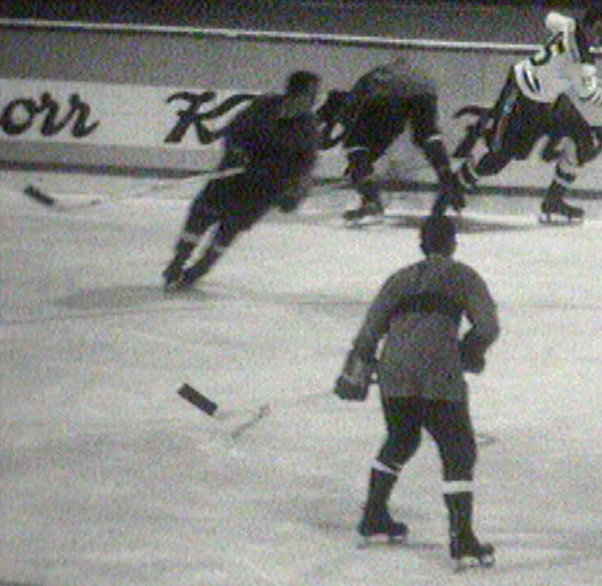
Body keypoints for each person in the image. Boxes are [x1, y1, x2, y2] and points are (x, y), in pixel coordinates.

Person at [334, 214, 500, 570]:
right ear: (453, 243)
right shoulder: (464, 276)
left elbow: (368, 332)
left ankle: (374, 515)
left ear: (421, 243)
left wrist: (357, 369)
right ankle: (463, 540)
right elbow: (487, 326)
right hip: (439, 373)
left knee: (401, 439)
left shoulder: (400, 278)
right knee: (458, 451)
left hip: (394, 372)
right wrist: (470, 352)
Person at [452, 7, 602, 223]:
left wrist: (558, 62)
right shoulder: (582, 60)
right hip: (521, 95)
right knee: (497, 158)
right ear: (587, 26)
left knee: (584, 141)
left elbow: (549, 18)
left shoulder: (568, 25)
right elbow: (590, 96)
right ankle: (456, 184)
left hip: (550, 99)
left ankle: (553, 201)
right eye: (599, 31)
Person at [162, 70, 321, 290]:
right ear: (295, 93)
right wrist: (236, 152)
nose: (314, 100)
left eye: (315, 94)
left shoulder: (308, 126)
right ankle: (178, 260)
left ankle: (200, 269)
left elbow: (305, 164)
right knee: (199, 217)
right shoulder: (263, 106)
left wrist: (294, 189)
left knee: (228, 230)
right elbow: (234, 131)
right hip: (230, 177)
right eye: (310, 93)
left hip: (262, 190)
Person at [317, 57, 465, 223]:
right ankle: (446, 177)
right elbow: (390, 133)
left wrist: (359, 169)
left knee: (355, 144)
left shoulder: (354, 102)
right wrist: (362, 168)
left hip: (387, 89)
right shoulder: (366, 96)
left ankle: (372, 200)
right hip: (424, 86)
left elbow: (349, 139)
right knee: (426, 135)